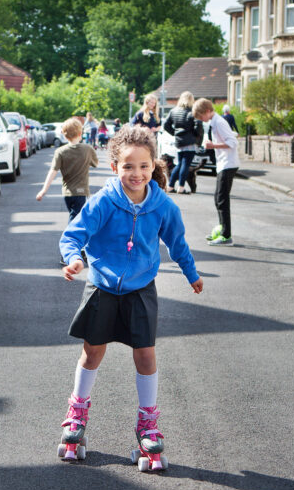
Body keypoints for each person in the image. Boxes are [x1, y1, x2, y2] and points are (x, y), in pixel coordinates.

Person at [56, 125, 203, 470]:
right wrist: (74, 258)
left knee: (146, 356)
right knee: (92, 351)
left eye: (143, 166)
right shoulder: (103, 202)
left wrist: (191, 273)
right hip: (103, 286)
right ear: (114, 168)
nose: (136, 173)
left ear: (153, 165)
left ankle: (148, 424)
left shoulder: (162, 206)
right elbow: (72, 235)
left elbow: (177, 243)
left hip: (140, 290)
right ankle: (76, 415)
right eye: (128, 166)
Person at [36, 117, 99, 263]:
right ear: (80, 132)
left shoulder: (60, 151)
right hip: (81, 192)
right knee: (75, 223)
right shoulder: (87, 149)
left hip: (67, 194)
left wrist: (44, 190)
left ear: (64, 135)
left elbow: (53, 171)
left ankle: (79, 249)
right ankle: (68, 254)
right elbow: (95, 163)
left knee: (76, 219)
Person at [193, 98, 240, 246]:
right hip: (223, 164)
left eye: (201, 117)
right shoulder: (214, 123)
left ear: (207, 111)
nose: (201, 120)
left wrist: (213, 145)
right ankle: (222, 229)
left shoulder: (219, 123)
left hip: (228, 164)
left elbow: (233, 142)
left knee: (222, 199)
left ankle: (226, 235)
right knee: (218, 198)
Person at [163, 91, 203, 194]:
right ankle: (181, 187)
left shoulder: (173, 111)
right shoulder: (192, 112)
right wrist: (196, 136)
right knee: (185, 164)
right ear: (191, 100)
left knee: (180, 163)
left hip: (179, 142)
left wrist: (175, 133)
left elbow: (166, 125)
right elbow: (198, 126)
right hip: (190, 142)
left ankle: (171, 186)